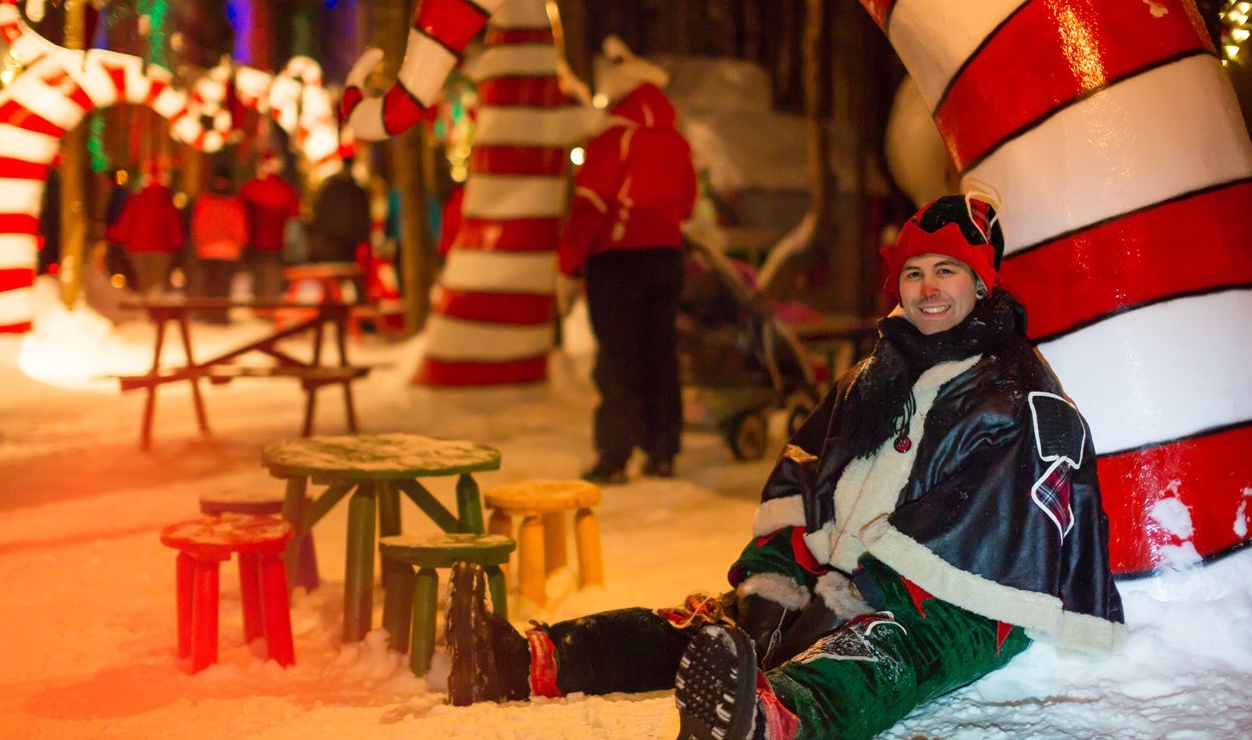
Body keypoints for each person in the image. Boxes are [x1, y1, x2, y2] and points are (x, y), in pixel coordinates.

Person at [445, 194, 1127, 739]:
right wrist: (778, 573)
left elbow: (986, 524)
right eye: (913, 272)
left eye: (945, 270)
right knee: (715, 623)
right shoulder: (873, 375)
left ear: (980, 284)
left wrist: (851, 593)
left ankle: (768, 720)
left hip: (961, 604)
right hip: (842, 571)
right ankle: (525, 660)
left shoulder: (1013, 391)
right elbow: (804, 469)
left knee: (874, 657)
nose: (925, 289)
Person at [558, 36, 698, 484]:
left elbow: (590, 205)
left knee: (618, 358)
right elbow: (688, 205)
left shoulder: (613, 138)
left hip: (616, 262)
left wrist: (567, 265)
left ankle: (615, 455)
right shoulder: (676, 142)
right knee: (660, 354)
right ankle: (662, 451)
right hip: (666, 256)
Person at [111, 167, 184, 298]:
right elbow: (174, 227)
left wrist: (117, 237)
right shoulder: (167, 203)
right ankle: (154, 311)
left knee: (142, 282)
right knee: (157, 285)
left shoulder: (135, 200)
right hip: (162, 250)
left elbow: (126, 223)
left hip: (137, 249)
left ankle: (145, 310)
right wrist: (177, 244)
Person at [238, 153, 300, 302]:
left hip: (255, 241)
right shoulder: (286, 190)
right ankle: (269, 307)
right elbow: (294, 215)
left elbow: (239, 211)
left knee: (258, 274)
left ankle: (259, 306)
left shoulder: (250, 188)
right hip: (277, 242)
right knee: (273, 276)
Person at [189, 173, 249, 324]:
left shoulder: (205, 202)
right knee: (223, 285)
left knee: (210, 283)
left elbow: (198, 225)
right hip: (228, 251)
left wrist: (200, 242)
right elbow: (239, 228)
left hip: (208, 250)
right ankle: (220, 314)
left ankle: (210, 313)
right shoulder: (234, 204)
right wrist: (241, 243)